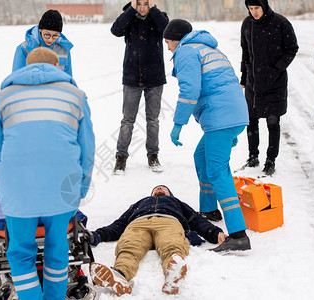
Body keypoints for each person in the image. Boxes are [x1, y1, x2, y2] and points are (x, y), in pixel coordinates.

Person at [0, 47, 95, 300]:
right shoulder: (76, 96)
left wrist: (2, 190)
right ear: (58, 67)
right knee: (57, 249)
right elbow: (87, 149)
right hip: (61, 190)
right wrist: (79, 189)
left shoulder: (4, 97)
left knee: (20, 253)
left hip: (17, 190)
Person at [163, 19, 251, 251]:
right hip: (233, 113)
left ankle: (238, 233)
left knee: (217, 170)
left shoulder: (186, 51)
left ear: (175, 39)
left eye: (167, 42)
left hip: (222, 117)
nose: (168, 47)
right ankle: (209, 209)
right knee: (201, 157)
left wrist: (178, 123)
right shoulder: (208, 48)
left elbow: (190, 89)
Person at [88, 185, 227, 296]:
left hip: (168, 221)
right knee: (129, 247)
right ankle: (119, 275)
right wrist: (98, 235)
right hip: (138, 223)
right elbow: (120, 223)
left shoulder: (176, 202)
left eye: (163, 188)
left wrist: (215, 233)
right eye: (156, 188)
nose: (159, 189)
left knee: (171, 244)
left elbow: (196, 220)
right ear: (151, 194)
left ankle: (173, 273)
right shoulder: (141, 203)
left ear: (169, 194)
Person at [240, 0, 298, 176]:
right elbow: (245, 52)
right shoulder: (247, 24)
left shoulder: (280, 23)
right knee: (251, 121)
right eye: (251, 8)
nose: (254, 12)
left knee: (273, 122)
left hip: (275, 83)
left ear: (264, 7)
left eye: (257, 8)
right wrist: (244, 76)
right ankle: (253, 156)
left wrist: (276, 70)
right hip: (253, 82)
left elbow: (292, 48)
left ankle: (270, 160)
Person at [111, 0, 169, 175]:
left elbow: (167, 30)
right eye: (139, 3)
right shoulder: (129, 18)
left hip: (155, 77)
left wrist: (154, 9)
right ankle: (121, 158)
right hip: (132, 77)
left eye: (146, 3)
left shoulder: (159, 17)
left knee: (153, 120)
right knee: (127, 120)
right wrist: (130, 10)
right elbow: (115, 30)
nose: (142, 7)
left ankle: (153, 156)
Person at [12, 9, 73, 76]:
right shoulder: (24, 49)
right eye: (47, 34)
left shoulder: (64, 49)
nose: (50, 39)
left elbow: (68, 79)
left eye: (55, 35)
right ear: (40, 29)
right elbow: (17, 77)